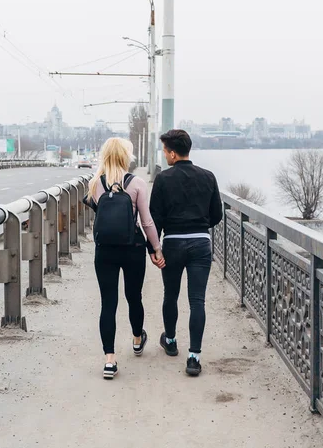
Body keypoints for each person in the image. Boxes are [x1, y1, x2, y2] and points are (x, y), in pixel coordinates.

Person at [85, 137, 164, 380]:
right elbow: (146, 221)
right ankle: (138, 339)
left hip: (105, 250)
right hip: (133, 248)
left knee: (108, 303)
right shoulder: (137, 183)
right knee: (134, 296)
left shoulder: (95, 184)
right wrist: (157, 249)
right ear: (125, 157)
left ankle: (110, 360)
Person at [148, 129, 222, 376]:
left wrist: (154, 249)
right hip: (201, 243)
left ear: (171, 153)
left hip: (173, 243)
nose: (164, 155)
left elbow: (154, 218)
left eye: (164, 151)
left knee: (171, 294)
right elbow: (217, 215)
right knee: (197, 300)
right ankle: (194, 357)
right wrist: (198, 225)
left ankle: (170, 341)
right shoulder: (208, 176)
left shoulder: (163, 179)